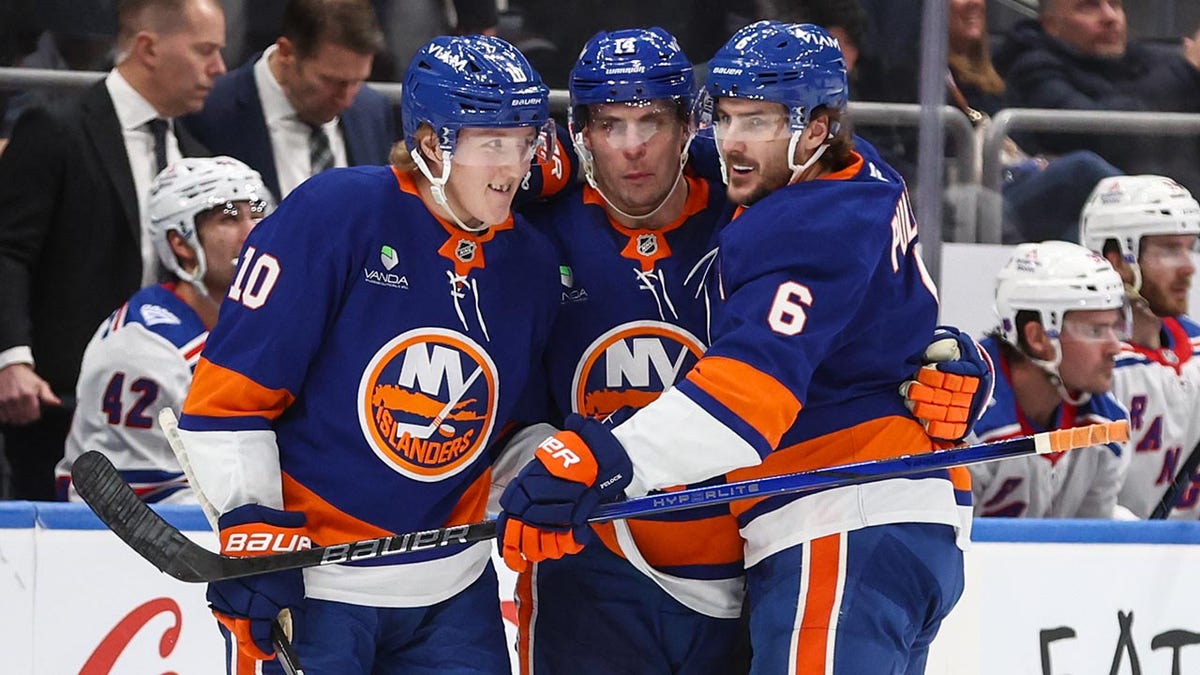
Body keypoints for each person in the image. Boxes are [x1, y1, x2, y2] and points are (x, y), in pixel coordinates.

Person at [498, 21, 982, 674]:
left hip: (839, 516)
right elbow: (877, 325)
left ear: (817, 127)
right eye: (725, 118)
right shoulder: (846, 177)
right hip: (844, 527)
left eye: (758, 121)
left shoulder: (802, 219)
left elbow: (748, 397)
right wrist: (940, 359)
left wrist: (601, 456)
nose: (734, 142)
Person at [176, 34, 561, 673]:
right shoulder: (334, 215)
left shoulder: (531, 261)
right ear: (434, 144)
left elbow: (504, 425)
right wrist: (249, 525)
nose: (513, 166)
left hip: (454, 592)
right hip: (317, 584)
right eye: (492, 142)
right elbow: (227, 402)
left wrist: (548, 474)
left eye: (524, 140)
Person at [510, 27, 748, 674]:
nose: (634, 146)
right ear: (580, 133)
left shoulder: (748, 216)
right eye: (611, 125)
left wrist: (942, 352)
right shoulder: (537, 229)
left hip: (748, 563)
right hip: (593, 564)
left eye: (652, 121)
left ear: (687, 127)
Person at [0, 0, 226, 501]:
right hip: (57, 401)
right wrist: (11, 357)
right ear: (148, 48)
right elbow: (7, 249)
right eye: (205, 51)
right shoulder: (56, 127)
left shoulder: (199, 154)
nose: (219, 69)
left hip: (171, 407)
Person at [53, 157, 270, 504]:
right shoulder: (143, 350)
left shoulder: (271, 316)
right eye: (229, 218)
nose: (254, 231)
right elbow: (143, 502)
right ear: (180, 243)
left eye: (257, 213)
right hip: (123, 543)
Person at [967, 240, 1130, 518]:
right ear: (1038, 338)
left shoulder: (1106, 423)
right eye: (1095, 330)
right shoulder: (966, 425)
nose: (1116, 347)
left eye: (1115, 327)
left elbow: (1095, 551)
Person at [183, 0, 395, 202]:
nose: (347, 99)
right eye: (331, 81)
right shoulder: (207, 112)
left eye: (357, 81)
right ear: (286, 53)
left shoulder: (372, 110)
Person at [1081, 174, 1200, 520]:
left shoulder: (1194, 348)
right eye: (1168, 249)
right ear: (1116, 261)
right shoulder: (1089, 368)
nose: (1188, 266)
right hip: (1120, 560)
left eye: (1188, 248)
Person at [993, 0, 1200, 196]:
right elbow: (1099, 135)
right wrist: (1186, 70)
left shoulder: (1145, 61)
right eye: (1089, 6)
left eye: (1115, 4)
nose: (1110, 17)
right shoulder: (1032, 70)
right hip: (1087, 213)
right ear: (1052, 25)